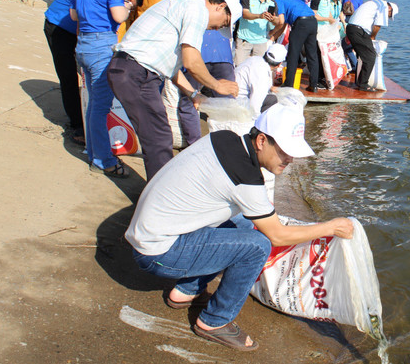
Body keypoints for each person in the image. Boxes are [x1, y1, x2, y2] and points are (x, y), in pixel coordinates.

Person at [125, 103, 354, 351]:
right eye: (285, 151)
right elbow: (277, 236)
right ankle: (214, 321)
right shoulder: (244, 177)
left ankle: (185, 291)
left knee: (245, 223)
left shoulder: (225, 139)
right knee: (257, 246)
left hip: (152, 234)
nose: (290, 159)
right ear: (262, 140)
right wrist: (329, 227)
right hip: (157, 253)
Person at [107, 0, 242, 181]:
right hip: (136, 72)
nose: (219, 27)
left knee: (158, 135)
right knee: (159, 138)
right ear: (219, 6)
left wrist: (194, 93)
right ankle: (162, 199)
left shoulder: (184, 6)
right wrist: (217, 85)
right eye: (225, 22)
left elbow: (174, 70)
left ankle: (160, 193)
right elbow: (191, 62)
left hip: (133, 71)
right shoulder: (196, 9)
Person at [44, 0, 144, 146]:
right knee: (69, 76)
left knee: (92, 75)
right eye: (127, 5)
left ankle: (89, 118)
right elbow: (80, 24)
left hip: (82, 31)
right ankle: (78, 126)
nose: (128, 11)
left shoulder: (114, 2)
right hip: (59, 26)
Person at [70, 0, 132, 177]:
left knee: (93, 104)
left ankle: (93, 150)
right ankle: (103, 159)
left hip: (83, 45)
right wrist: (126, 7)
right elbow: (118, 17)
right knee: (100, 106)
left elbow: (74, 16)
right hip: (102, 45)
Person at [167, 0, 236, 98]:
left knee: (190, 99)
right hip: (223, 55)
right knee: (227, 102)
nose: (216, 28)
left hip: (197, 53)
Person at [269, 0, 320, 92]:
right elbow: (283, 26)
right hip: (313, 22)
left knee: (293, 54)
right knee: (312, 55)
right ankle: (314, 85)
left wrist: (271, 32)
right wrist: (272, 38)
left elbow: (280, 22)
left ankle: (288, 84)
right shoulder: (289, 0)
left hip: (301, 23)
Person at [345, 0, 398, 92]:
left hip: (353, 28)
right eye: (390, 15)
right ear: (390, 9)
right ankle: (363, 84)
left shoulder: (377, 3)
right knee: (370, 56)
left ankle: (360, 82)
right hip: (357, 30)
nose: (388, 17)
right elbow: (377, 26)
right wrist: (372, 38)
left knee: (363, 56)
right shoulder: (383, 7)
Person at [235, 0, 276, 66]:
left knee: (258, 70)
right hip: (245, 39)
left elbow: (277, 21)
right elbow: (245, 14)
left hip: (261, 41)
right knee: (239, 67)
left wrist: (273, 19)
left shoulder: (272, 2)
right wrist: (259, 16)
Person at [235, 44, 286, 115]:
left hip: (236, 97)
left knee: (272, 98)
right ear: (279, 64)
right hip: (239, 104)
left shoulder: (255, 59)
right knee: (273, 101)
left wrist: (270, 87)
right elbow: (255, 104)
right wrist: (255, 122)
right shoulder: (262, 73)